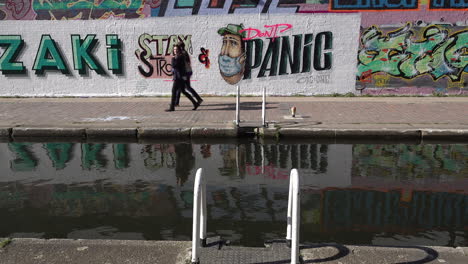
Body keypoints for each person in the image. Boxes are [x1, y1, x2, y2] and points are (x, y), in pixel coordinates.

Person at [166, 44, 199, 112]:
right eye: (174, 49)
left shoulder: (180, 57)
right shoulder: (177, 57)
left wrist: (173, 59)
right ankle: (195, 103)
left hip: (179, 77)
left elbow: (174, 65)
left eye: (176, 49)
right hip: (178, 77)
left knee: (174, 91)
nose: (175, 51)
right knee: (183, 91)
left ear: (179, 50)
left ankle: (172, 107)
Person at [174, 42, 203, 107]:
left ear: (180, 47)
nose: (177, 49)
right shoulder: (184, 53)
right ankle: (176, 102)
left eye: (178, 47)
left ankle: (198, 99)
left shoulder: (182, 54)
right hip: (187, 72)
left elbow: (183, 65)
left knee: (187, 87)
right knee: (180, 88)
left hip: (185, 73)